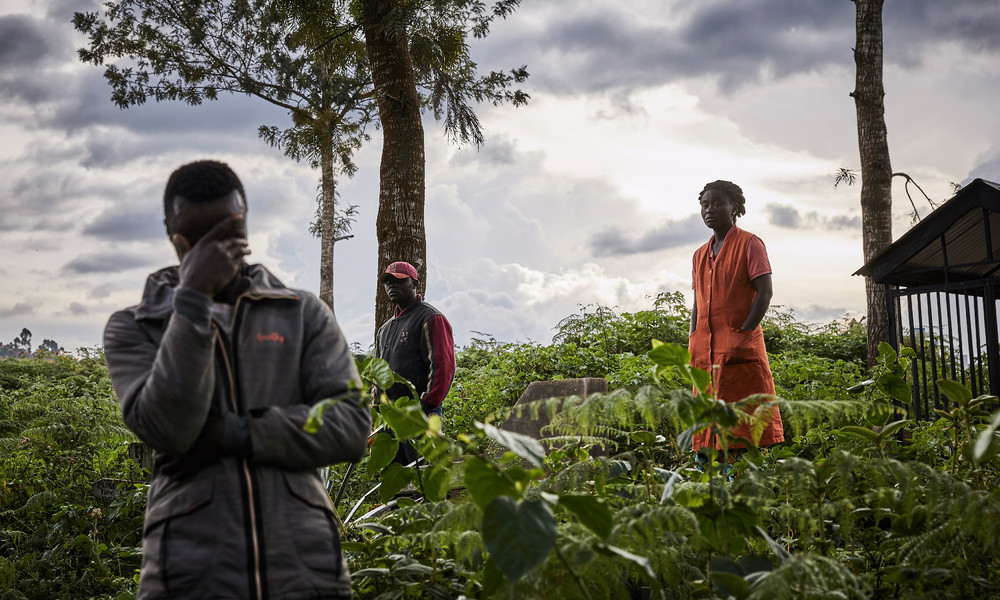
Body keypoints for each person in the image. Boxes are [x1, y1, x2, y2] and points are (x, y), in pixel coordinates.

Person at [103, 160, 370, 600]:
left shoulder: (301, 313)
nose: (222, 248)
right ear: (178, 240)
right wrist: (192, 300)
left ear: (244, 225)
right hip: (188, 572)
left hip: (306, 567)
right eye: (205, 239)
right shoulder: (134, 327)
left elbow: (350, 428)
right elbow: (171, 427)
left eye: (229, 232)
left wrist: (234, 433)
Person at [688, 180, 784, 454]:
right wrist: (693, 337)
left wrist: (743, 333)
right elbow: (697, 303)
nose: (710, 210)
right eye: (705, 205)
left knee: (744, 423)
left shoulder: (750, 244)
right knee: (708, 425)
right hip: (705, 352)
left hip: (740, 348)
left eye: (718, 204)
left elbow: (765, 293)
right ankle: (711, 487)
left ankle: (742, 483)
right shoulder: (698, 256)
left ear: (735, 208)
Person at [374, 261, 455, 465]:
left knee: (428, 474)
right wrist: (376, 408)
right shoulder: (385, 329)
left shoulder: (430, 318)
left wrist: (424, 405)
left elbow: (442, 367)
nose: (392, 285)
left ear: (414, 284)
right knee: (398, 480)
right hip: (390, 417)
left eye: (400, 281)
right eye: (388, 281)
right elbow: (378, 371)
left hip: (420, 412)